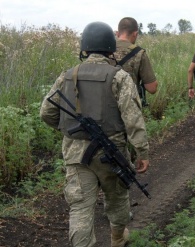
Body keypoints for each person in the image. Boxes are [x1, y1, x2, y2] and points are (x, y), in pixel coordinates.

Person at [39, 21, 150, 247]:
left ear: (85, 48)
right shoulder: (119, 77)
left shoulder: (68, 75)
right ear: (111, 48)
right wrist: (142, 151)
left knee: (80, 207)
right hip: (111, 153)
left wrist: (69, 132)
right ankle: (118, 238)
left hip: (76, 155)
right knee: (118, 199)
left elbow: (47, 113)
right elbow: (133, 120)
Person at [113, 17, 158, 106]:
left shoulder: (104, 51)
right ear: (135, 34)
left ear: (117, 33)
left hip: (105, 107)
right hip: (129, 109)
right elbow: (152, 88)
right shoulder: (139, 53)